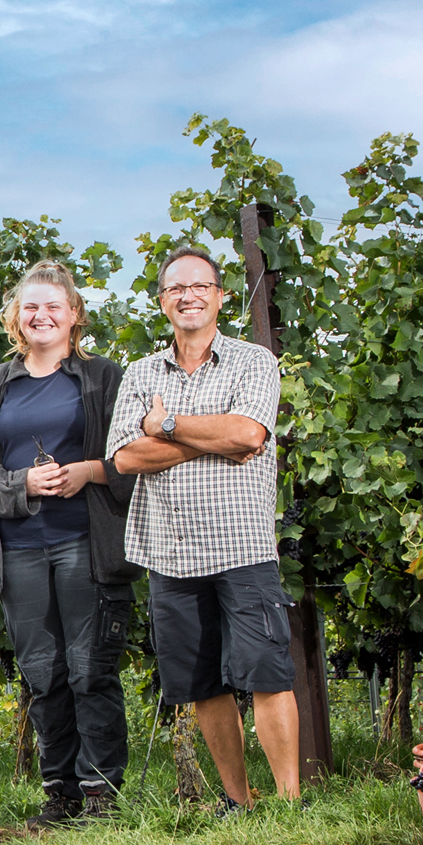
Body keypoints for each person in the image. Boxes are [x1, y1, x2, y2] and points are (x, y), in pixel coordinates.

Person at [108, 247, 301, 809]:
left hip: (242, 547)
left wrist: (165, 424)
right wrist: (212, 439)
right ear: (162, 302)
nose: (188, 296)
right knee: (201, 686)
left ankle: (289, 805)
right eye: (176, 288)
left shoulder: (253, 361)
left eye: (199, 286)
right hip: (170, 552)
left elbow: (249, 435)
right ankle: (239, 801)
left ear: (220, 297)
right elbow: (125, 457)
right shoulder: (141, 372)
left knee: (267, 672)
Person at [0, 264, 139, 826]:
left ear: (74, 314)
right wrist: (22, 484)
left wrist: (88, 471)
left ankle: (102, 794)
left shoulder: (104, 377)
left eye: (54, 306)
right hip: (19, 548)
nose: (42, 316)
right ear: (16, 317)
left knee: (90, 668)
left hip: (86, 542)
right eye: (31, 307)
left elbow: (134, 457)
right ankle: (61, 793)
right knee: (43, 672)